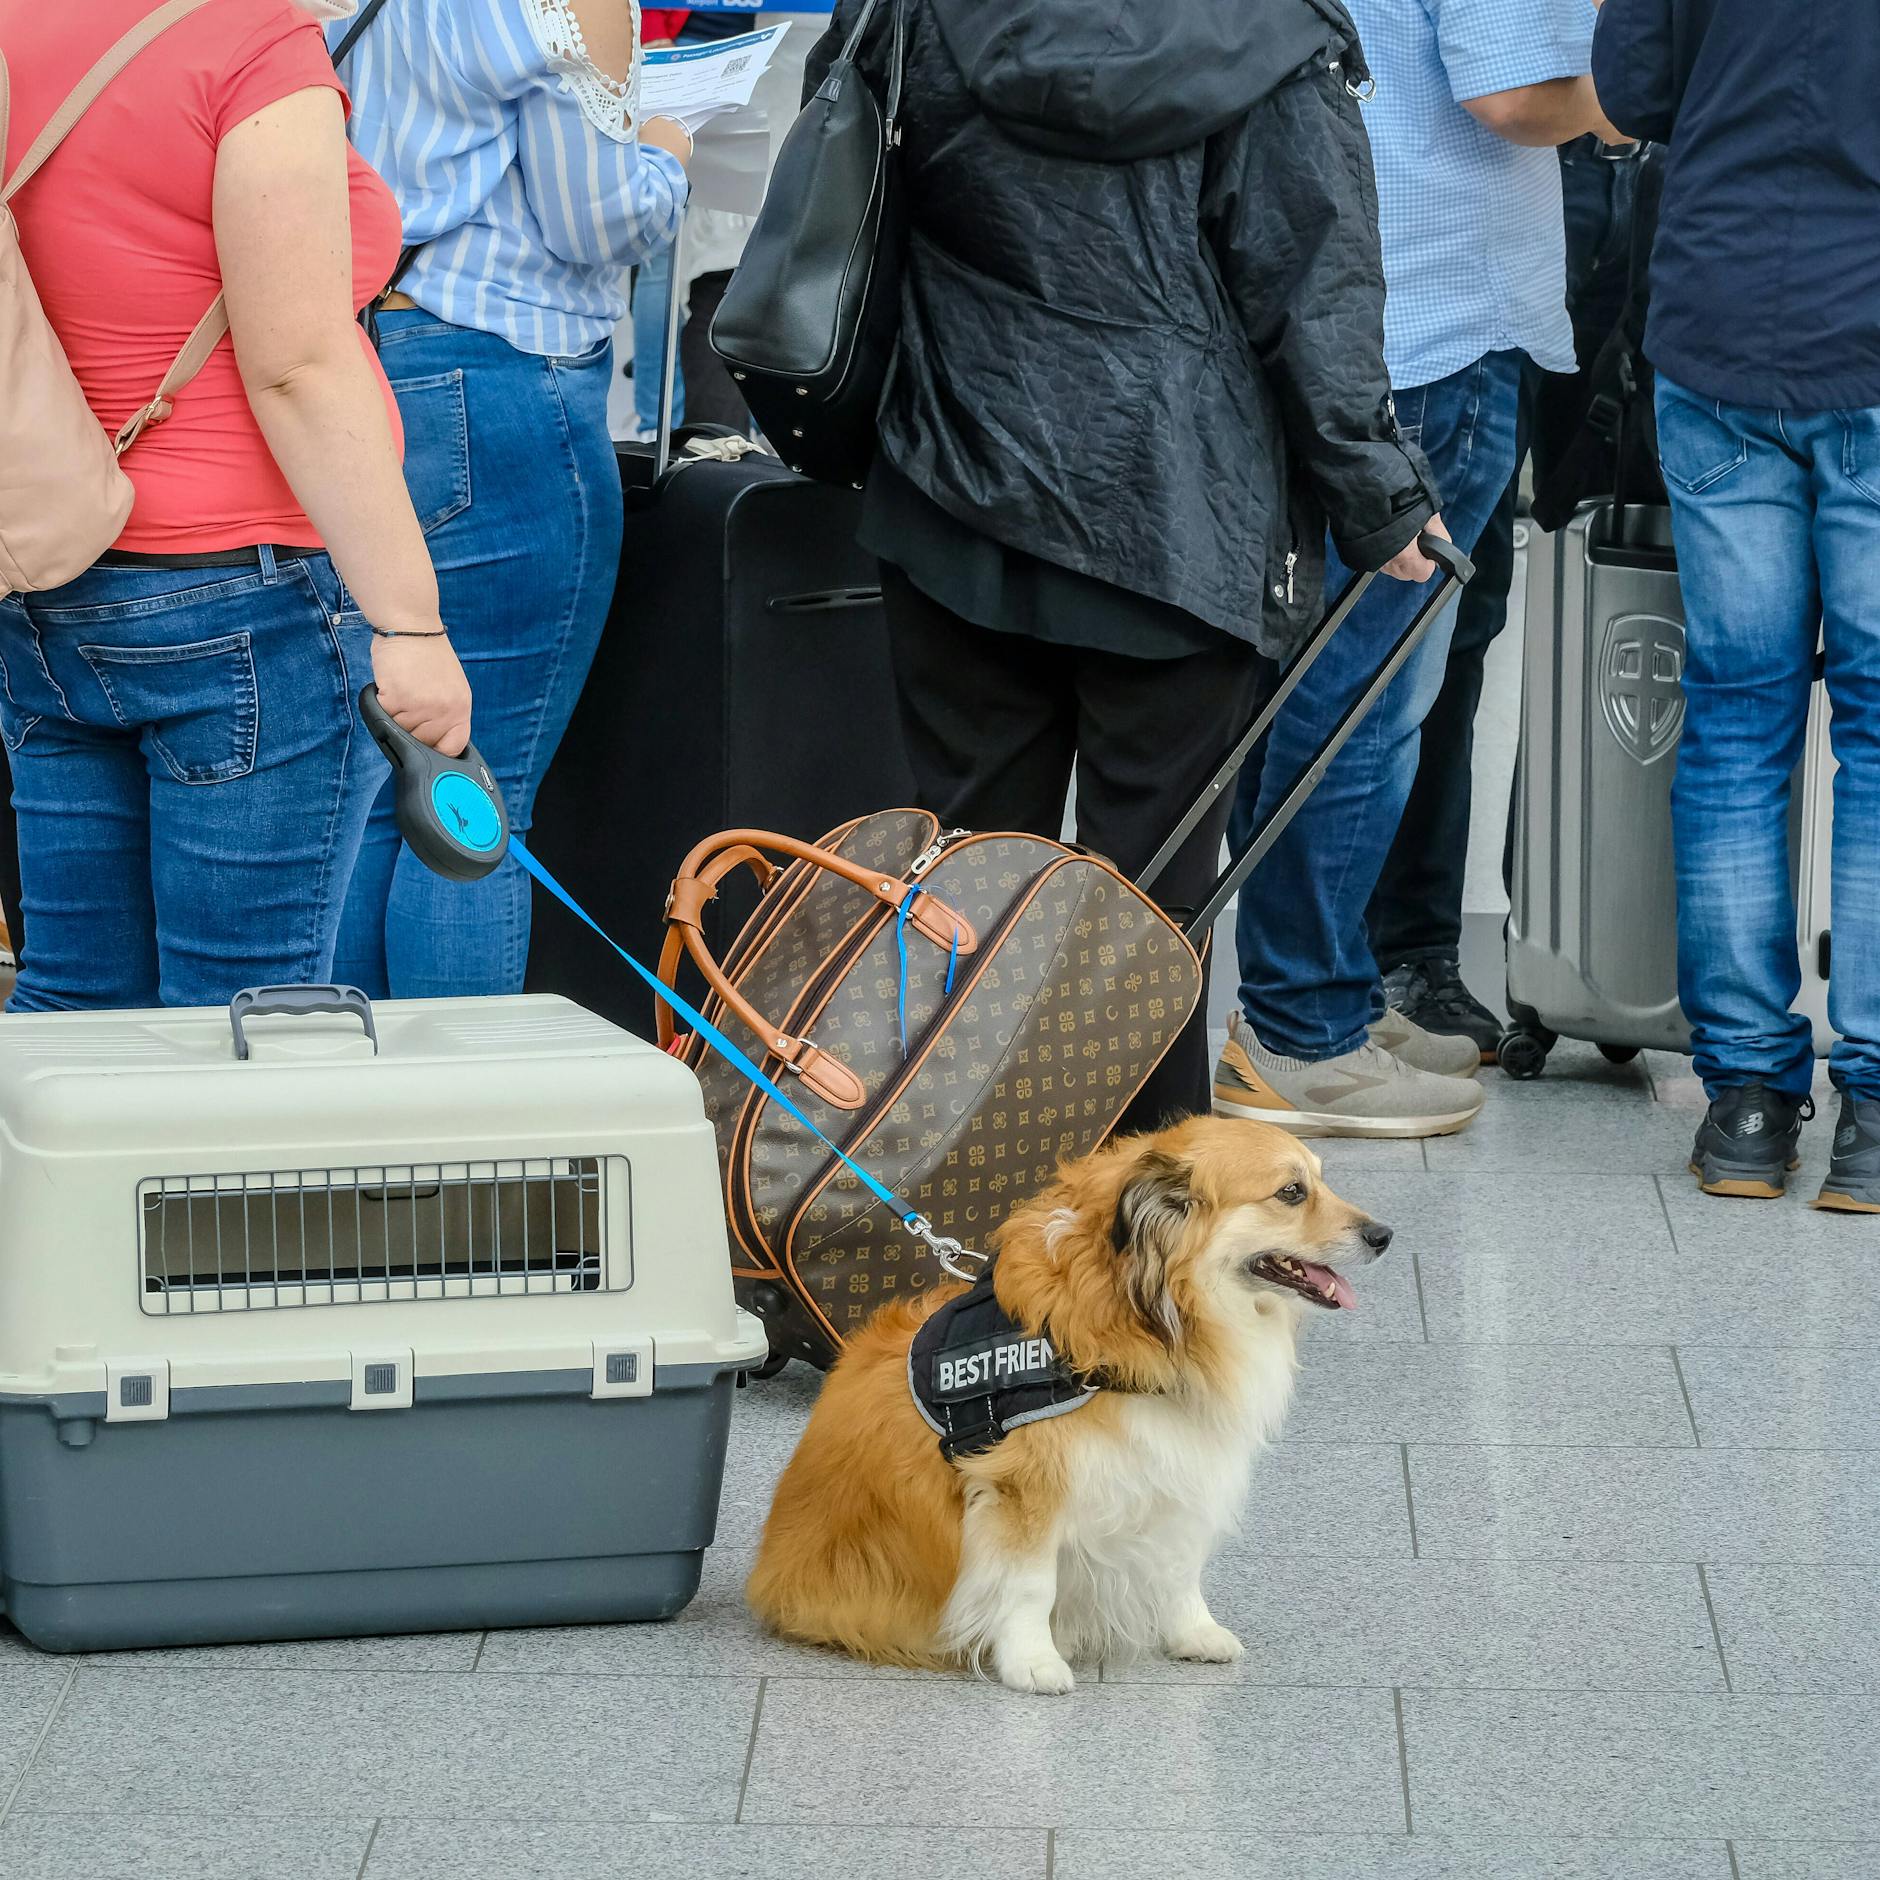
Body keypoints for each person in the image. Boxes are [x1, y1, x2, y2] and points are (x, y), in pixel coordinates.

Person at [810, 0, 1445, 1131]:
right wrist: (1378, 496)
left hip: (953, 482)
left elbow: (846, 188)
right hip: (1172, 514)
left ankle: (952, 1217)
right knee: (1150, 912)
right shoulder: (1272, 31)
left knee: (965, 883)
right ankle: (1146, 1248)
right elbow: (1310, 286)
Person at [0, 0, 470, 1013]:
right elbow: (298, 364)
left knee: (74, 1002)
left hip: (49, 571)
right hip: (239, 593)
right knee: (244, 1019)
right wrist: (409, 620)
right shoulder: (249, 44)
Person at [1217, 0, 1617, 1139]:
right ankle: (1302, 1033)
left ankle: (1320, 995)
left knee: (1321, 687)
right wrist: (1641, 88)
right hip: (1437, 325)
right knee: (1362, 704)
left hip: (1359, 321)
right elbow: (1510, 98)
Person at [329, 0, 693, 999]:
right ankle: (459, 1136)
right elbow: (597, 216)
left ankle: (335, 1116)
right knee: (473, 791)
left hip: (370, 366)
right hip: (501, 373)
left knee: (376, 783)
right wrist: (666, 152)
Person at [1593, 0, 1880, 1208]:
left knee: (1734, 717)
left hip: (1715, 324)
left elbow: (1627, 92)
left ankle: (1748, 1106)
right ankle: (1871, 1111)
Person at [1370, 133, 1657, 1062]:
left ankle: (1582, 956)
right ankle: (1412, 953)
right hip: (1506, 173)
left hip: (1668, 177)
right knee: (1448, 608)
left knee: (1629, 586)